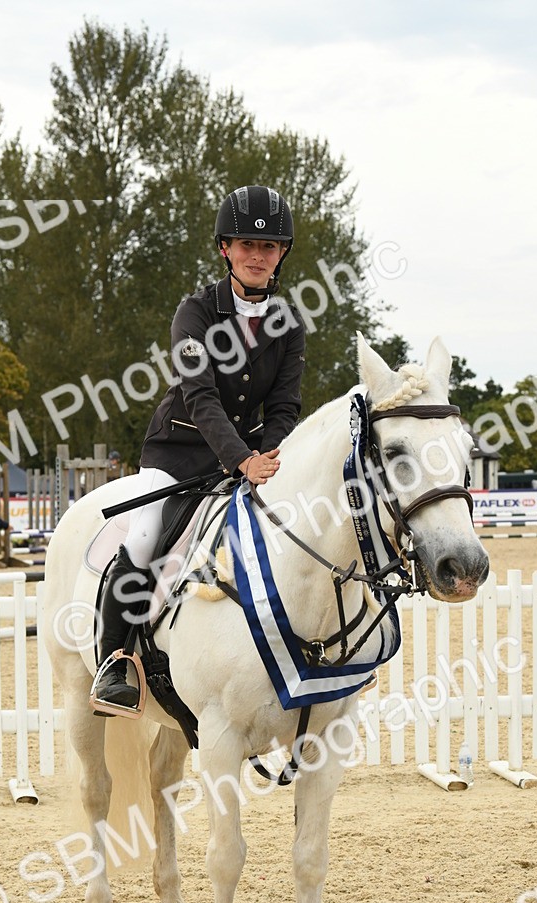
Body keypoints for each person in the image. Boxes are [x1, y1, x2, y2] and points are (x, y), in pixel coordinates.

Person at [94, 184, 305, 710]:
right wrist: (242, 460)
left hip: (250, 460)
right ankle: (114, 662)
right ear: (225, 249)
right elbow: (202, 396)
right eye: (245, 245)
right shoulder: (194, 313)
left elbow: (284, 408)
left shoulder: (289, 323)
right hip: (177, 452)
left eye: (269, 247)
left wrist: (267, 459)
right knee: (144, 538)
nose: (257, 256)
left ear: (280, 255)